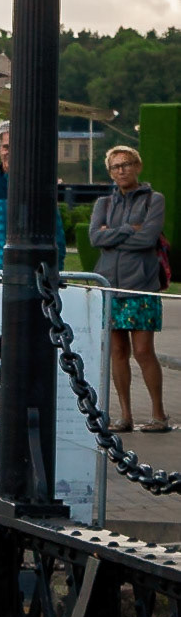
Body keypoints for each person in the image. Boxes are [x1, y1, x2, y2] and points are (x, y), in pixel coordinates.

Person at [91, 145, 169, 433]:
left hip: (141, 286)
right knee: (118, 351)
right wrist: (128, 230)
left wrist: (110, 235)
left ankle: (159, 415)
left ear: (138, 166)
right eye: (115, 167)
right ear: (110, 172)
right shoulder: (104, 203)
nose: (121, 170)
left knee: (144, 351)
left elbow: (148, 238)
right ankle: (124, 416)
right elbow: (93, 239)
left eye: (126, 164)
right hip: (110, 286)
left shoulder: (153, 200)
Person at [0, 121, 66, 274]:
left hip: (35, 275)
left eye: (17, 146)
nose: (12, 151)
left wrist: (54, 272)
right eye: (6, 147)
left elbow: (57, 238)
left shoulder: (41, 188)